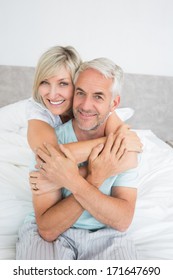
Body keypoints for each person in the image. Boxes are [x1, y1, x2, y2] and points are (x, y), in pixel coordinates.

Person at [16, 57, 141, 260]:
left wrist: (76, 180)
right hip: (54, 236)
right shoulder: (51, 144)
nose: (85, 105)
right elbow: (47, 229)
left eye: (98, 97)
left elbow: (122, 220)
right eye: (81, 93)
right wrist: (95, 175)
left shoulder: (125, 143)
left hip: (107, 235)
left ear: (114, 103)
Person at [26, 45, 142, 194]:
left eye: (63, 83)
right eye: (44, 82)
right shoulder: (38, 111)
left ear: (77, 85)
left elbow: (131, 157)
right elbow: (51, 160)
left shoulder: (89, 106)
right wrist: (109, 143)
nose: (53, 94)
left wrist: (58, 182)